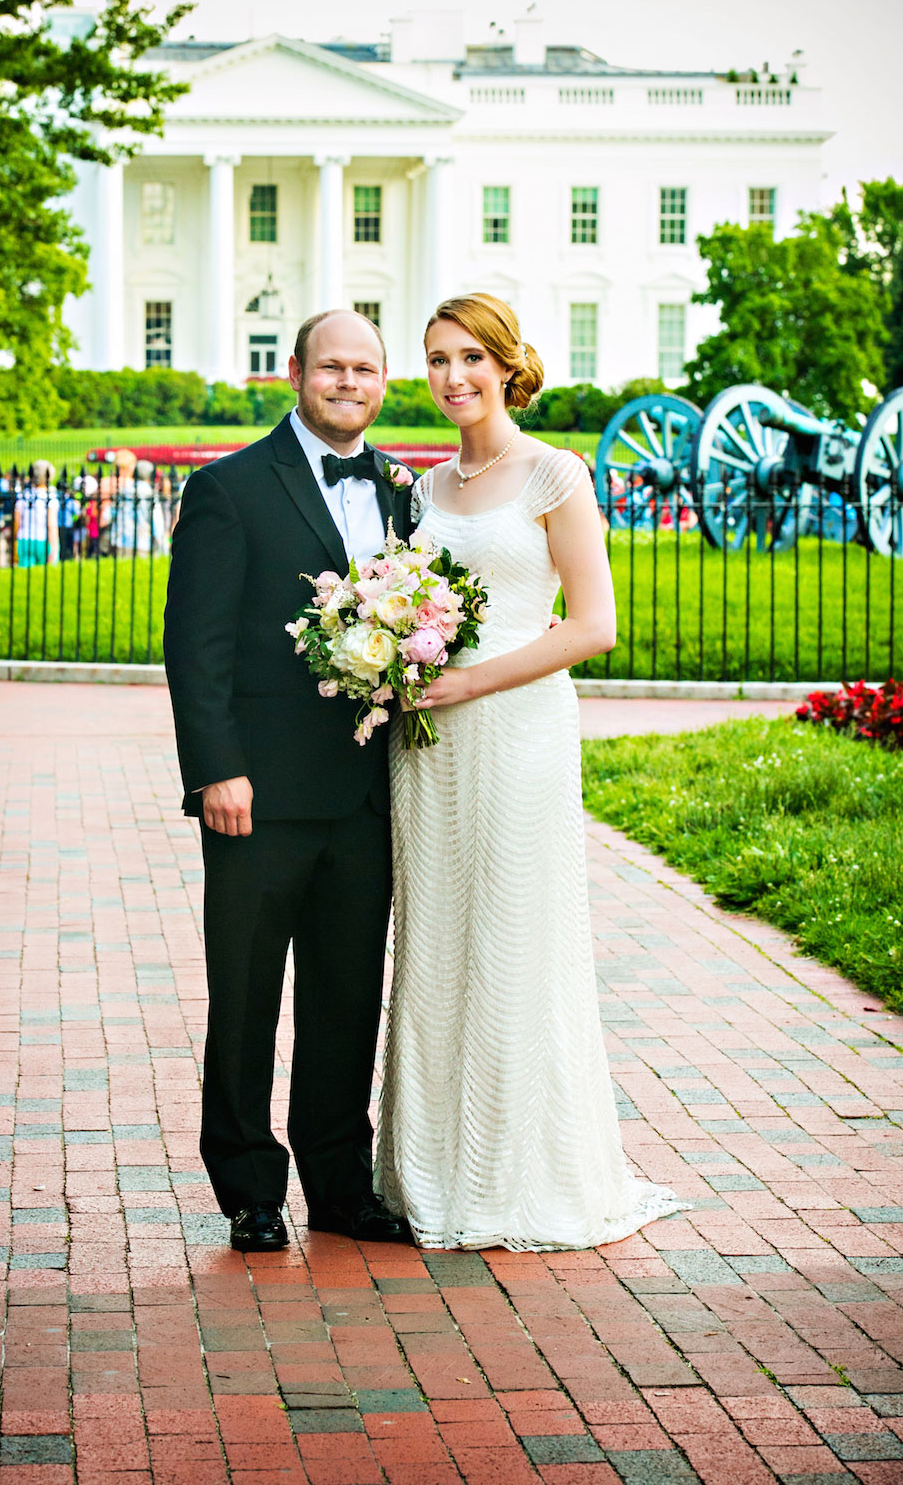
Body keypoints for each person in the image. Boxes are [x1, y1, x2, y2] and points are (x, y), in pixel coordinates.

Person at [375, 293, 687, 1251]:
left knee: (515, 939)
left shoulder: (555, 473)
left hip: (516, 730)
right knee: (434, 943)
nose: (453, 377)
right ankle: (426, 1174)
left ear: (509, 364)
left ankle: (519, 1180)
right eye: (436, 360)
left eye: (471, 357)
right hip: (428, 746)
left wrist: (469, 682)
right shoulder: (420, 492)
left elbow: (594, 626)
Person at [163, 309, 415, 1254]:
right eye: (332, 367)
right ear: (298, 374)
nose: (349, 383)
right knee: (246, 996)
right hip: (256, 796)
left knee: (347, 996)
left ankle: (341, 1185)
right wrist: (216, 770)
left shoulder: (402, 493)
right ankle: (247, 1190)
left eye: (366, 369)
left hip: (364, 794)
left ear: (381, 381)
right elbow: (198, 645)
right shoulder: (229, 488)